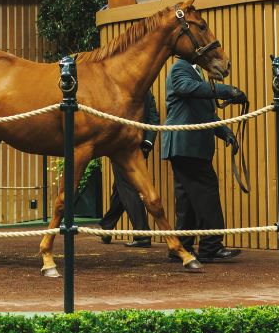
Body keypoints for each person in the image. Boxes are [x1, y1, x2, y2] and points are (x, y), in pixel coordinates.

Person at [160, 58, 246, 262]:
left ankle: (181, 247)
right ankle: (210, 246)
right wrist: (227, 90)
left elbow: (205, 113)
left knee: (187, 199)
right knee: (207, 190)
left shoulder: (195, 71)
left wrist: (225, 132)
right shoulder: (180, 68)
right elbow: (187, 87)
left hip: (183, 144)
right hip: (186, 143)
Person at [99, 91, 158, 248]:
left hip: (121, 148)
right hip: (138, 147)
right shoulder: (146, 92)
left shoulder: (117, 88)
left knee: (127, 188)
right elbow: (153, 118)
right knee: (120, 188)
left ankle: (141, 234)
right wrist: (148, 142)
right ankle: (107, 226)